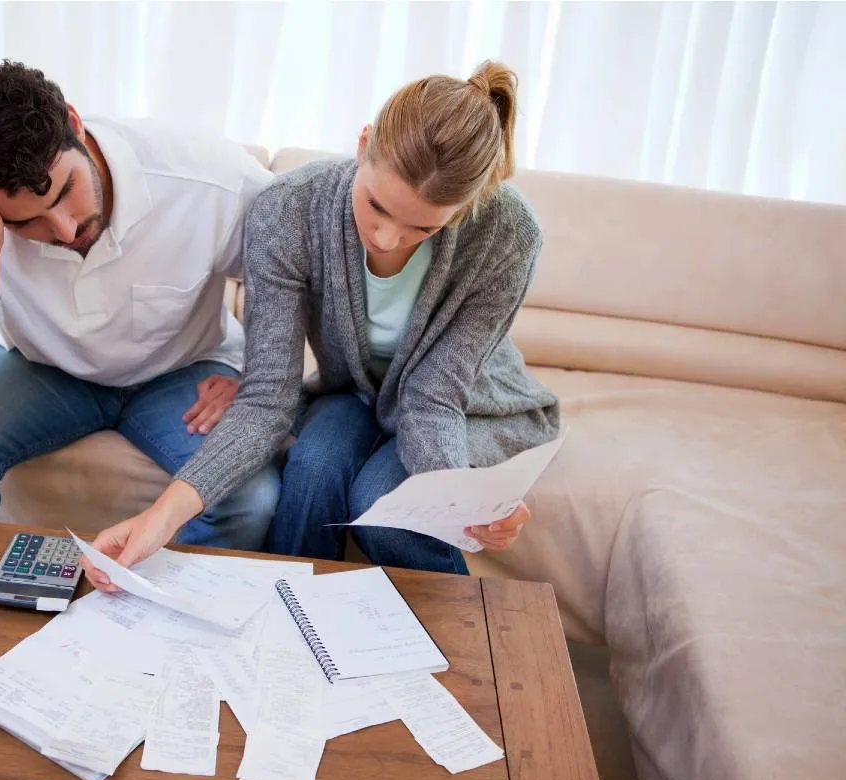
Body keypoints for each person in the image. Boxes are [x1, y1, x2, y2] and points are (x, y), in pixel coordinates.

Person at [83, 61, 560, 587]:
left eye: (421, 228)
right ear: (363, 144)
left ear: (466, 204)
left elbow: (433, 396)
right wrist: (159, 519)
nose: (386, 238)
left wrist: (461, 502)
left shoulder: (508, 233)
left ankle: (465, 633)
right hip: (353, 393)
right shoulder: (288, 210)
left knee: (382, 505)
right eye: (376, 205)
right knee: (311, 469)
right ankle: (291, 618)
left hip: (466, 407)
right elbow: (267, 399)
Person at [0, 60, 279, 551]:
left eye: (65, 191)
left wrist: (259, 378)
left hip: (184, 370)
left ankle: (170, 603)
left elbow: (308, 277)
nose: (65, 229)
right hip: (47, 371)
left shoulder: (211, 179)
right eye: (25, 223)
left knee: (249, 497)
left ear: (75, 124)